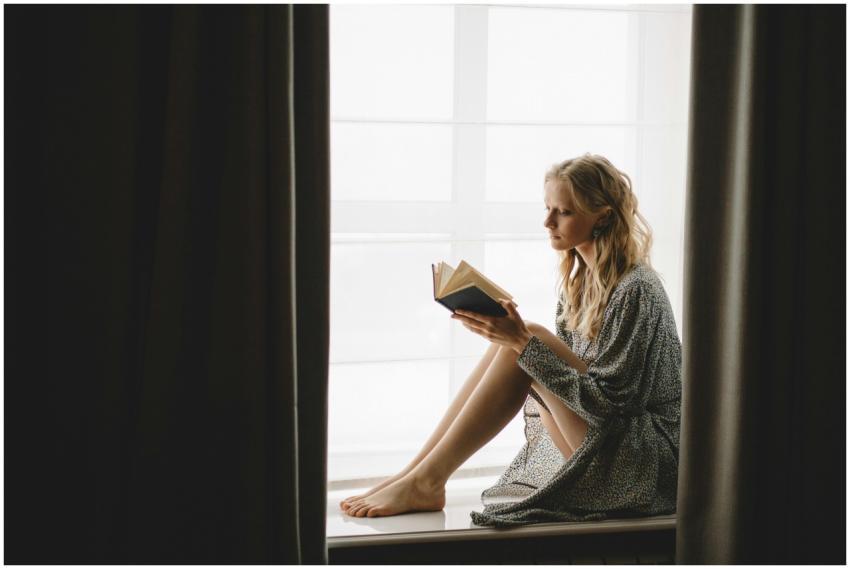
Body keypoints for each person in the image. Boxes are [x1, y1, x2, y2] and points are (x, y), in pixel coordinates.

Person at [340, 153, 682, 526]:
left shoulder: (637, 289)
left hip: (643, 466)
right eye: (548, 208)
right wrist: (512, 340)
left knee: (527, 338)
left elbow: (612, 407)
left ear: (602, 215)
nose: (548, 222)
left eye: (564, 212)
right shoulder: (580, 285)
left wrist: (524, 343)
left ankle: (427, 480)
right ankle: (413, 474)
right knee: (514, 343)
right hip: (603, 445)